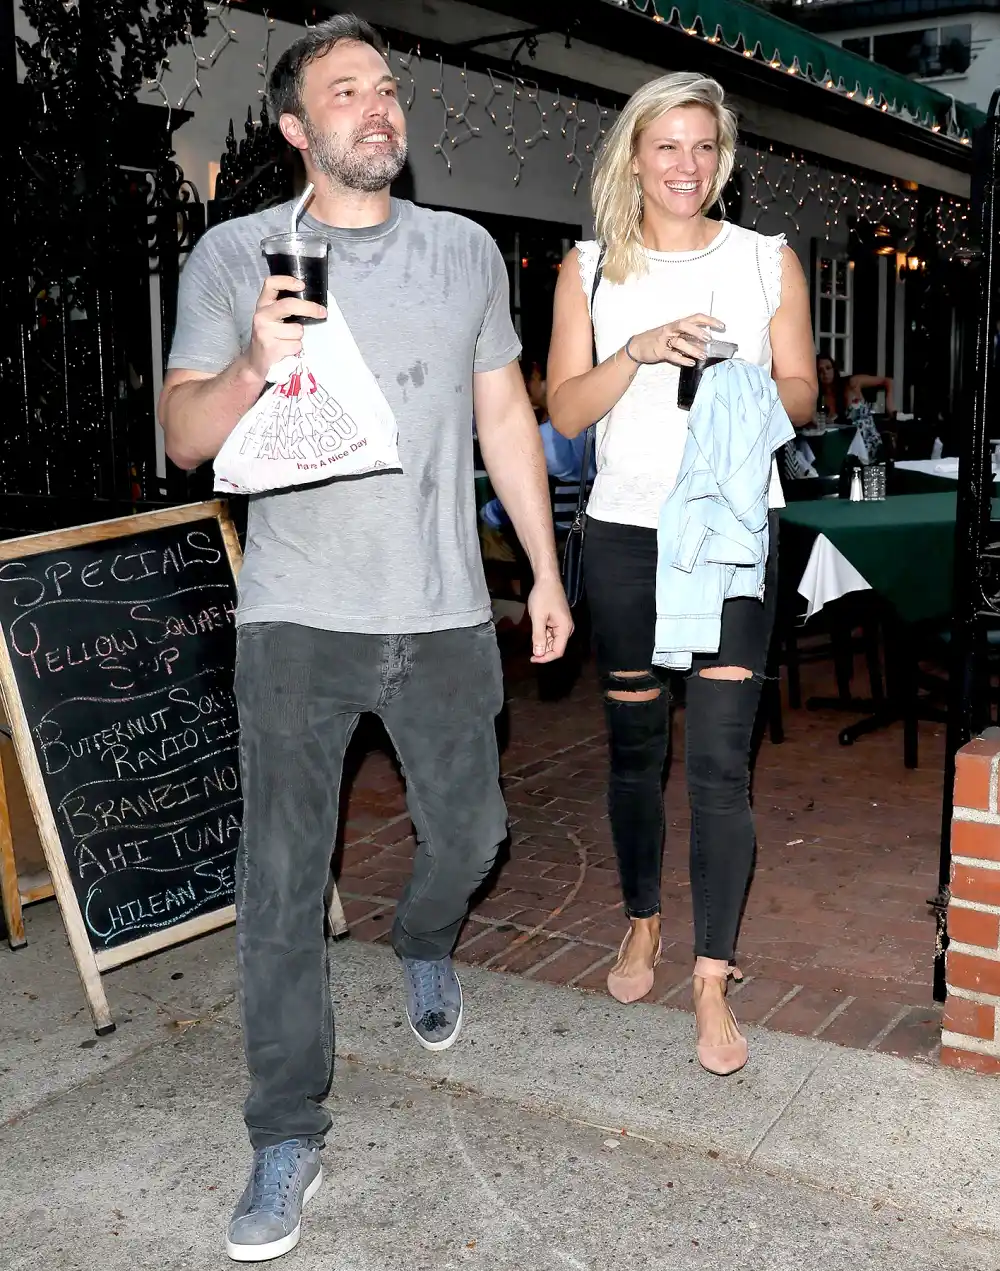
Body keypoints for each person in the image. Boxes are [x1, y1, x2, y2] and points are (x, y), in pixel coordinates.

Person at [158, 15, 572, 1262]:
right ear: (297, 128)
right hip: (297, 616)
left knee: (478, 834)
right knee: (281, 882)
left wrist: (543, 571)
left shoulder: (465, 253)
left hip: (445, 608)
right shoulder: (240, 254)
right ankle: (286, 1127)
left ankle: (424, 933)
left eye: (386, 88)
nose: (377, 106)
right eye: (347, 91)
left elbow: (505, 411)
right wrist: (247, 369)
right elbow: (185, 435)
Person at [547, 72, 816, 1075]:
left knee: (717, 762)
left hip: (733, 536)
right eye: (666, 146)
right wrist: (639, 350)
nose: (685, 166)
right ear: (633, 154)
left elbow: (800, 395)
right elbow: (567, 412)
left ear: (723, 159)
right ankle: (640, 918)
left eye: (703, 147)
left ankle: (710, 973)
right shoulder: (585, 269)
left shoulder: (764, 262)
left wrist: (743, 390)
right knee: (632, 747)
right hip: (624, 535)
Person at [480, 358, 596, 536]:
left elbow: (510, 500)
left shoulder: (538, 440)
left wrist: (488, 515)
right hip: (591, 522)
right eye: (538, 377)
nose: (545, 379)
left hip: (564, 532)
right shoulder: (595, 417)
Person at [817, 354, 895, 420]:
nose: (825, 373)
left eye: (828, 368)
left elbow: (888, 381)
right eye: (820, 370)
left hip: (863, 434)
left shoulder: (851, 383)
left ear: (834, 369)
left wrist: (890, 409)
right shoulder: (818, 398)